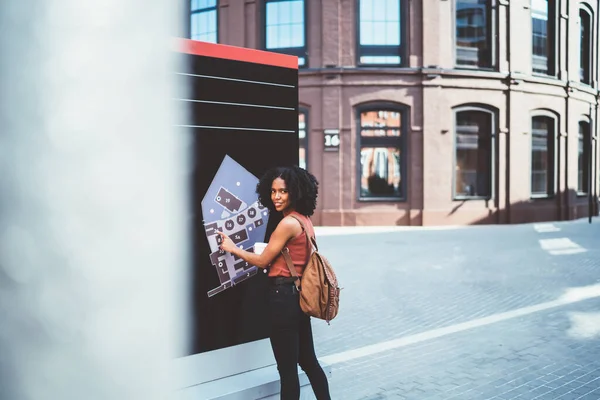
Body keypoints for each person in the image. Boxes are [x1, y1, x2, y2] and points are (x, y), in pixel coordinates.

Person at [217, 166, 331, 400]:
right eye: (273, 191)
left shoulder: (288, 223)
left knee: (287, 370)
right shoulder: (304, 220)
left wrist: (232, 249)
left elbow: (262, 261)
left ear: (296, 193)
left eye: (283, 192)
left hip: (283, 299)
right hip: (297, 297)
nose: (276, 197)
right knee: (309, 361)